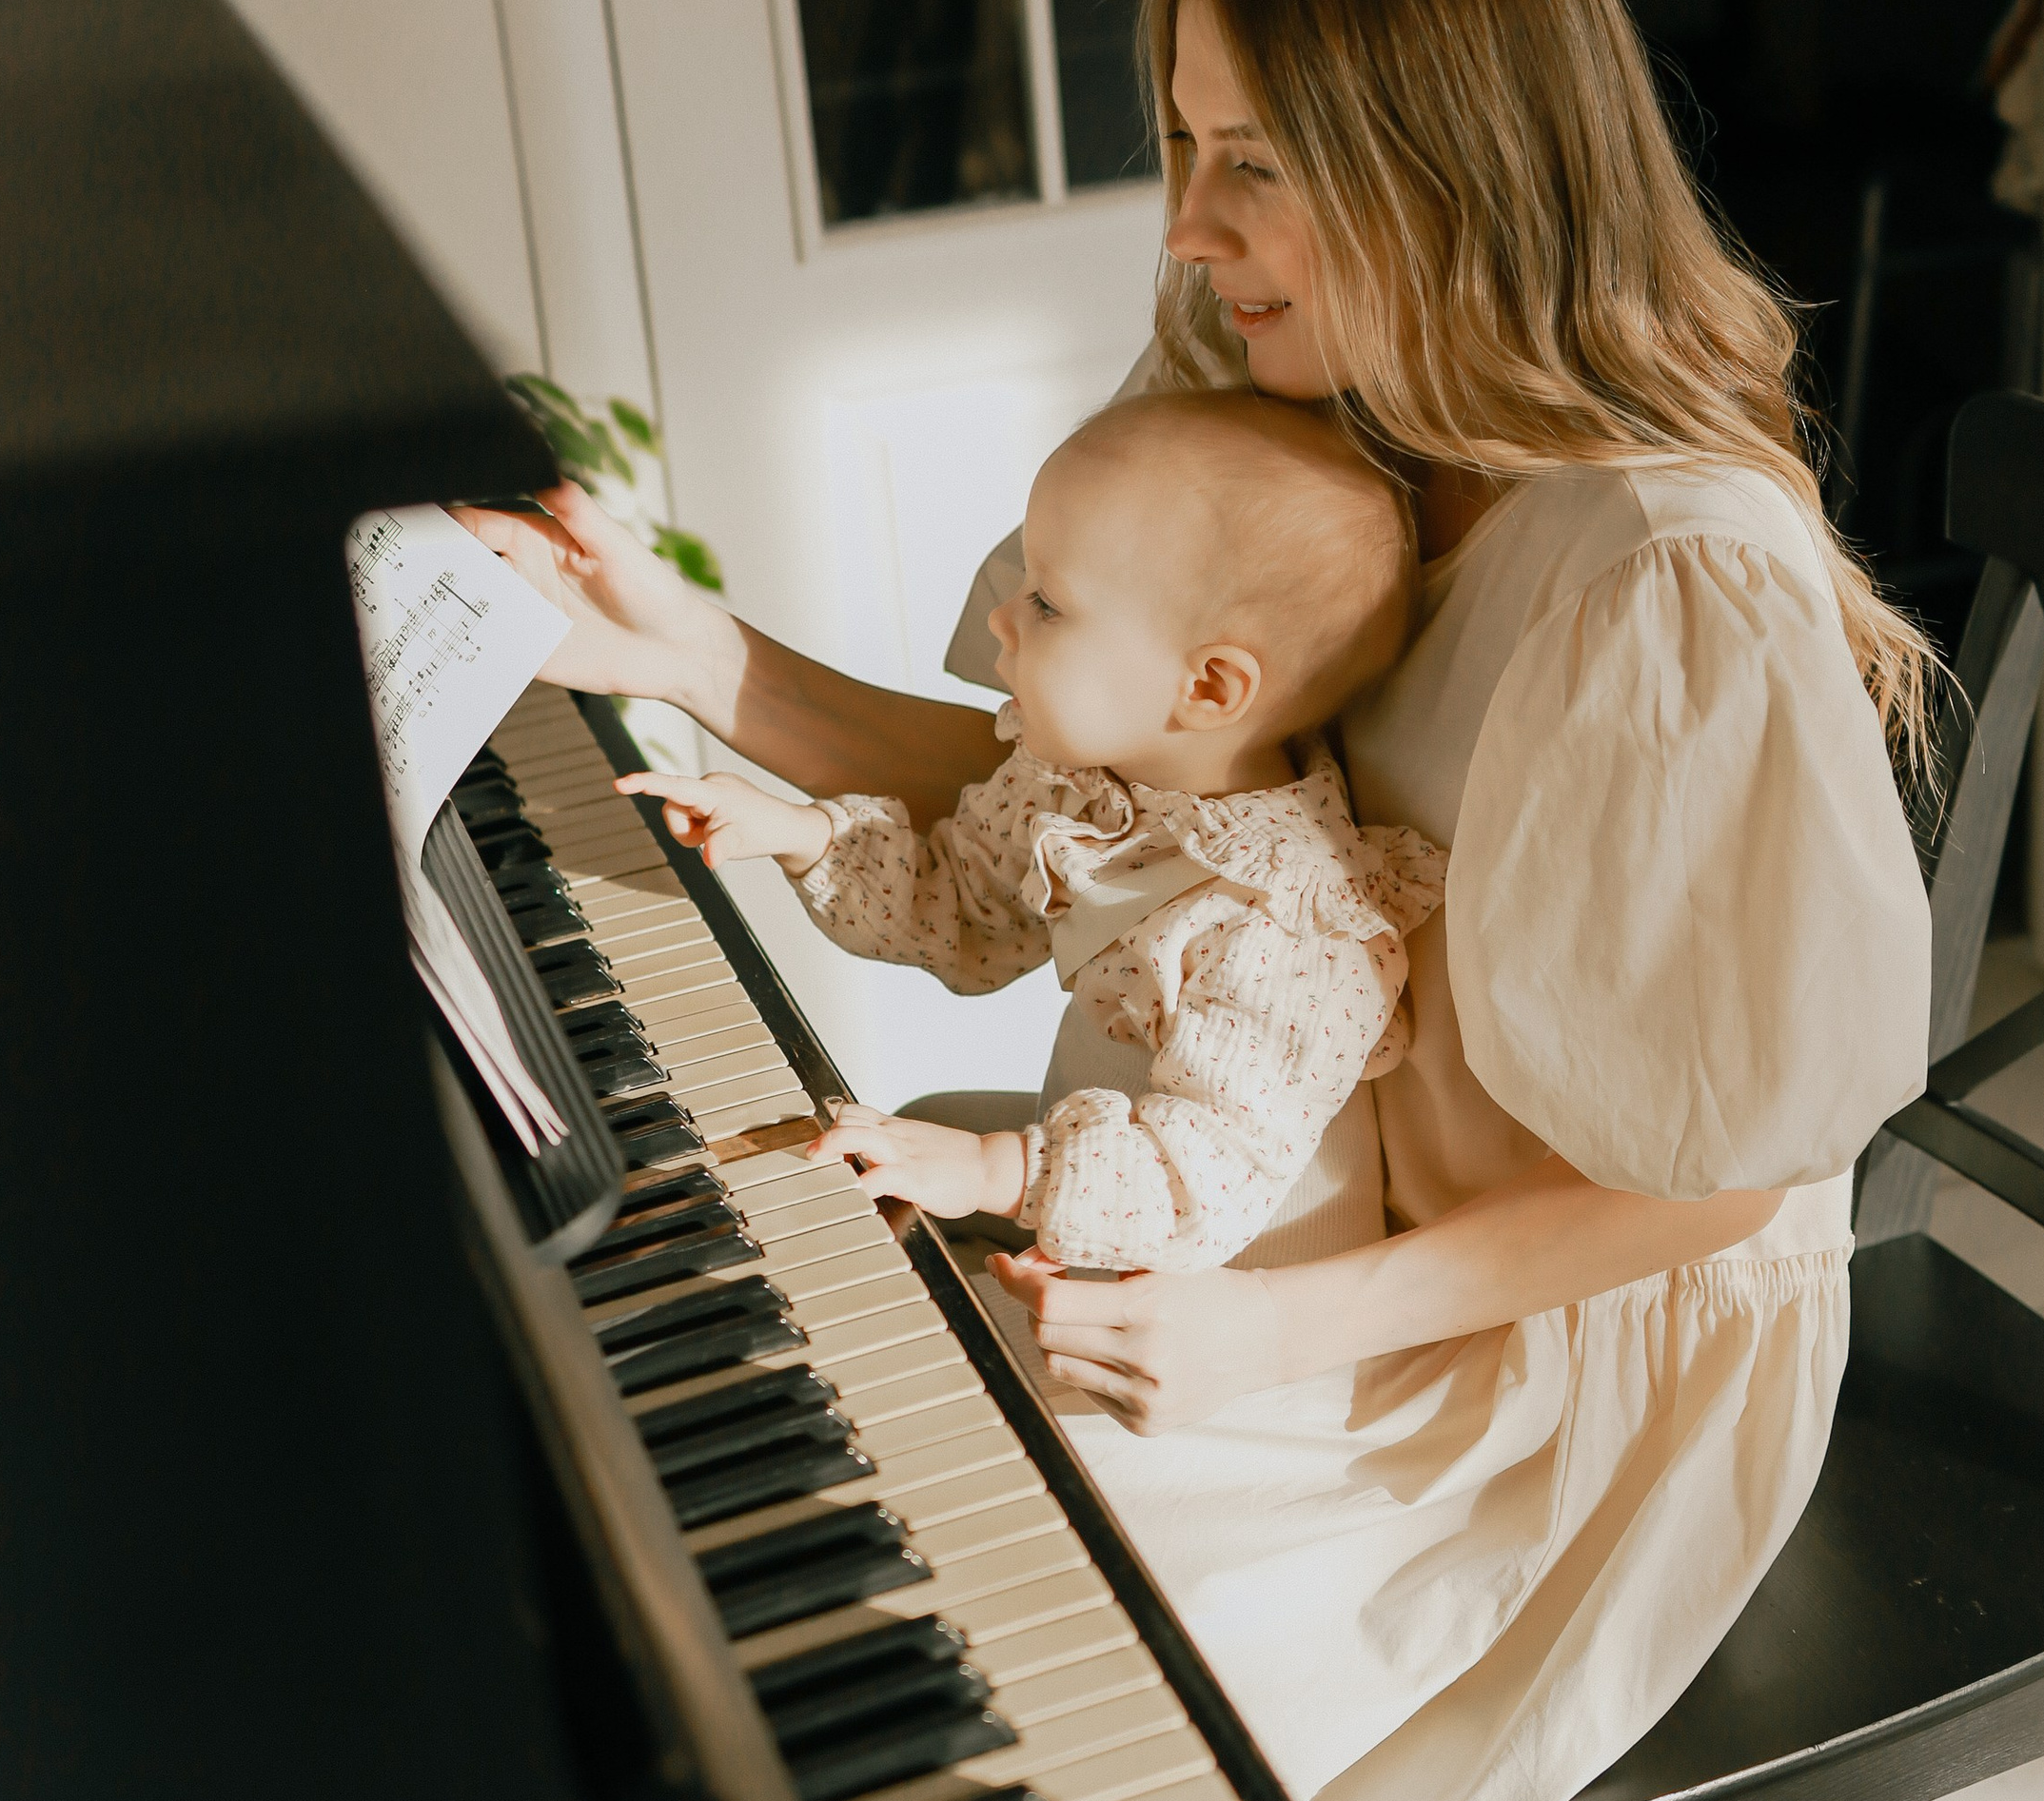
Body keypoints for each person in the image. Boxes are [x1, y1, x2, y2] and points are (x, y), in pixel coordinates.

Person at [461, 0, 1933, 1801]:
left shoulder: (1661, 572)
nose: (1184, 224)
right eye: (1181, 143)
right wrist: (703, 666)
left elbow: (1730, 1180)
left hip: (1543, 1324)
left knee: (981, 1641)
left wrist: (1271, 1326)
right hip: (1283, 1180)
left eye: (1248, 159)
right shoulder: (1312, 408)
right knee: (821, 1391)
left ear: (1443, 157)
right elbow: (1084, 782)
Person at [616, 390, 1445, 1276]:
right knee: (907, 1134)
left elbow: (1194, 1186)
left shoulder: (1292, 923)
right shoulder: (1085, 790)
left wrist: (989, 1171)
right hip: (1096, 1201)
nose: (1000, 618)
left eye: (1047, 603)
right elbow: (963, 912)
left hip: (1224, 1290)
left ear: (1208, 688)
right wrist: (801, 833)